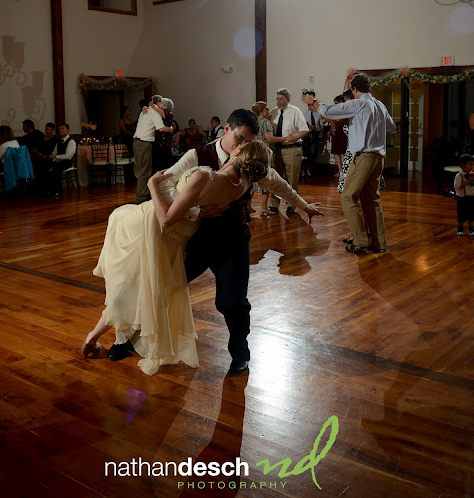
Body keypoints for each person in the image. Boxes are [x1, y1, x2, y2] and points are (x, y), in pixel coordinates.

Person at [127, 108, 322, 374]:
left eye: (248, 142)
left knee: (232, 301)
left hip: (233, 239)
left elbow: (279, 185)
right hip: (196, 237)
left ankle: (240, 351)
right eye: (240, 139)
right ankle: (131, 336)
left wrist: (304, 206)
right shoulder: (197, 156)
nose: (242, 146)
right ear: (227, 129)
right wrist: (196, 212)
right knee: (161, 284)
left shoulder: (251, 161)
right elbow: (165, 186)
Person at [81, 141, 272, 376]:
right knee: (142, 285)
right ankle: (122, 338)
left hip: (161, 227)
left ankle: (101, 337)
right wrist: (197, 212)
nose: (238, 143)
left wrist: (151, 184)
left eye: (244, 141)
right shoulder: (236, 178)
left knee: (137, 283)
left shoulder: (210, 175)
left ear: (240, 153)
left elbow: (166, 216)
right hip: (177, 235)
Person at [305, 73, 396, 254]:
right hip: (378, 158)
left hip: (364, 156)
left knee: (348, 197)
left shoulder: (358, 103)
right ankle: (379, 243)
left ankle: (361, 240)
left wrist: (313, 101)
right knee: (372, 200)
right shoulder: (379, 105)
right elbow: (392, 127)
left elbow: (327, 111)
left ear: (354, 89)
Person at [267, 88, 309, 214]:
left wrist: (296, 137)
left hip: (291, 149)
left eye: (281, 99)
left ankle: (291, 204)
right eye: (277, 99)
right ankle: (274, 203)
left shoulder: (295, 111)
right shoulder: (273, 112)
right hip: (276, 149)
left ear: (288, 100)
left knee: (292, 179)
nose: (279, 101)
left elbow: (305, 130)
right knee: (275, 178)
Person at [134, 95, 174, 204]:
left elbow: (160, 124)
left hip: (159, 147)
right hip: (150, 145)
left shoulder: (162, 112)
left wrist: (150, 105)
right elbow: (160, 128)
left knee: (149, 171)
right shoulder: (153, 111)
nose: (160, 104)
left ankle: (150, 196)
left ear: (165, 106)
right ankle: (143, 198)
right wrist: (170, 129)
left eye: (162, 103)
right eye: (160, 102)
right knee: (146, 172)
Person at [37, 123, 77, 196]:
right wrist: (53, 158)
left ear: (67, 130)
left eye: (63, 129)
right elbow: (54, 153)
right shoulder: (58, 141)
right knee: (44, 165)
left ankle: (56, 191)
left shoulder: (71, 141)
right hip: (58, 160)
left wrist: (57, 157)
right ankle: (45, 190)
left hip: (66, 162)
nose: (60, 130)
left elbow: (68, 156)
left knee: (54, 169)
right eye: (59, 129)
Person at [251, 101, 274, 216]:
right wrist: (285, 138)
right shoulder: (266, 123)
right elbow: (269, 139)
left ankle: (247, 205)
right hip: (264, 154)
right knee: (265, 180)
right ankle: (264, 207)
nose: (268, 111)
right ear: (261, 111)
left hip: (253, 153)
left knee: (252, 180)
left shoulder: (252, 123)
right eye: (266, 109)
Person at [454, 154, 474, 236]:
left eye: (473, 164)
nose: (472, 166)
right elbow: (458, 186)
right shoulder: (459, 175)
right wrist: (468, 181)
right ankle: (460, 228)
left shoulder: (473, 174)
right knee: (461, 213)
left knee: (471, 213)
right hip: (463, 198)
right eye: (470, 164)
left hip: (472, 197)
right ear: (463, 165)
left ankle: (471, 229)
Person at [301, 90, 324, 178]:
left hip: (316, 134)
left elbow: (321, 126)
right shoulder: (304, 115)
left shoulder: (318, 114)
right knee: (306, 152)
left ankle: (310, 169)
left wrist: (321, 134)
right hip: (307, 135)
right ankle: (304, 169)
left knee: (313, 153)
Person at [330, 95, 348, 178]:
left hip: (342, 130)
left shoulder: (345, 109)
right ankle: (340, 170)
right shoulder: (336, 110)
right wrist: (332, 128)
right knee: (335, 151)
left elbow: (340, 120)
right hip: (336, 131)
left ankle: (344, 171)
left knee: (342, 151)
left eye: (336, 103)